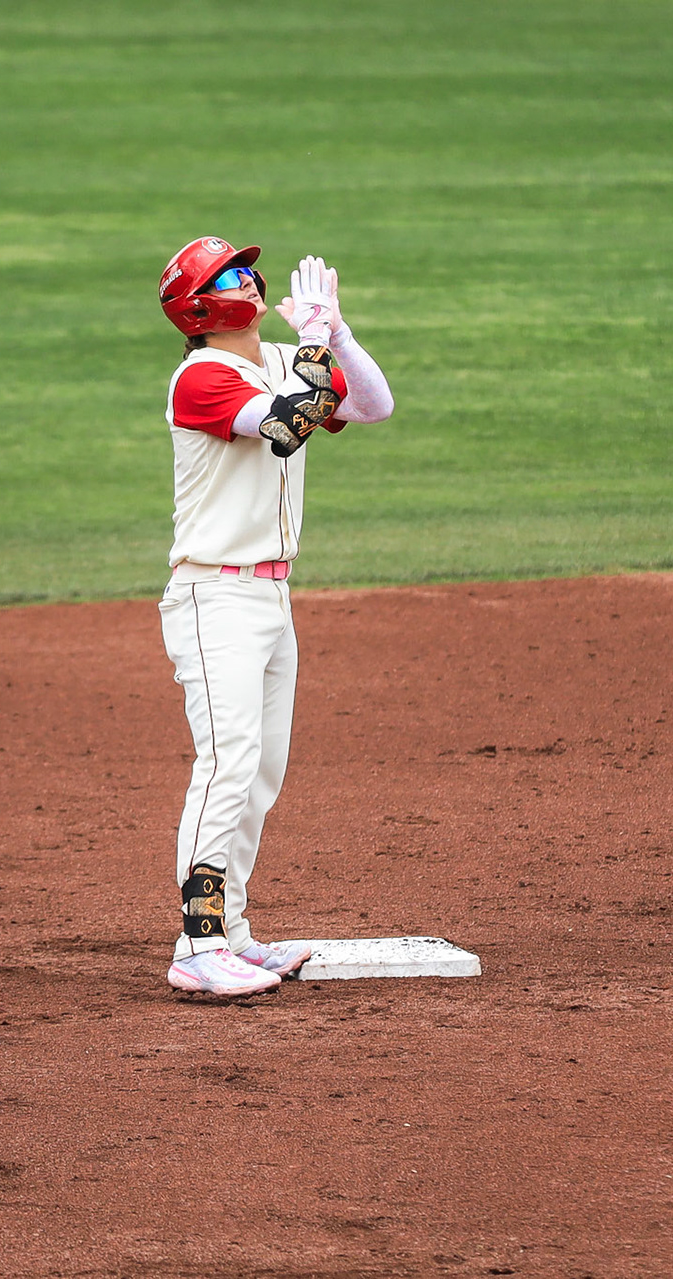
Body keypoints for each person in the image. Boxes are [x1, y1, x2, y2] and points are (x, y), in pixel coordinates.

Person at [154, 236, 396, 996]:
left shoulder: (277, 359)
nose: (249, 279)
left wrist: (338, 333)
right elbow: (291, 425)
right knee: (226, 763)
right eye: (231, 273)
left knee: (260, 771)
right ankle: (196, 946)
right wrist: (316, 345)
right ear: (202, 302)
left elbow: (372, 404)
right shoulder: (202, 377)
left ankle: (233, 930)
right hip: (214, 595)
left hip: (270, 594)